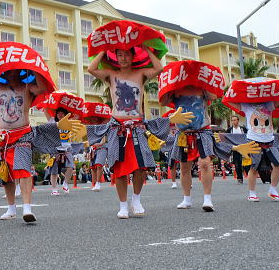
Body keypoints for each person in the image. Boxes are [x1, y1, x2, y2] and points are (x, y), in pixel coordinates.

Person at [0, 42, 84, 223]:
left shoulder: (28, 88)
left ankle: (27, 208)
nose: (10, 72)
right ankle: (11, 208)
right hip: (4, 137)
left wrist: (32, 70)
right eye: (7, 70)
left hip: (23, 135)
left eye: (14, 69)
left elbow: (42, 88)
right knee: (6, 174)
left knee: (23, 170)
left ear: (20, 71)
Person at [86, 20, 187, 219]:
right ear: (115, 57)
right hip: (118, 127)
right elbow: (91, 69)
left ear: (133, 56)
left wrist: (145, 48)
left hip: (138, 127)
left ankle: (137, 199)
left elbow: (158, 68)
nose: (123, 58)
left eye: (127, 54)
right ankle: (123, 205)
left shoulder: (141, 74)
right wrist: (104, 50)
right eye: (119, 54)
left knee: (141, 167)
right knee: (119, 168)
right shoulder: (111, 74)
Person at [158, 61, 228, 211]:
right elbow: (163, 101)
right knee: (184, 167)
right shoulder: (175, 90)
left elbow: (215, 95)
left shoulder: (202, 88)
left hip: (202, 131)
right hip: (183, 133)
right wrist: (169, 87)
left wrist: (206, 83)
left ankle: (207, 199)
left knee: (204, 163)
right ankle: (186, 199)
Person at [226, 115, 249, 184]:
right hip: (235, 149)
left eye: (235, 120)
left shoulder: (243, 129)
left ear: (238, 121)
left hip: (243, 148)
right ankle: (239, 178)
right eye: (232, 120)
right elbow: (227, 139)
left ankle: (250, 176)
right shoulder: (229, 130)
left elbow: (248, 137)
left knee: (246, 163)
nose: (234, 121)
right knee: (237, 164)